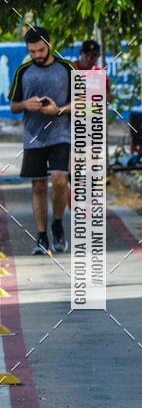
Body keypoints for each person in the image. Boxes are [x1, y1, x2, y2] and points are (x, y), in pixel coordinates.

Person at [8, 27, 75, 254]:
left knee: (59, 180)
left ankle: (57, 223)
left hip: (61, 135)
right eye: (32, 51)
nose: (37, 54)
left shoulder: (67, 68)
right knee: (38, 186)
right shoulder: (23, 71)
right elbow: (14, 105)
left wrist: (59, 110)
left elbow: (85, 102)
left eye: (40, 49)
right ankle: (41, 236)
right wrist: (26, 105)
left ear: (50, 44)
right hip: (33, 138)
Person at [73, 39, 112, 103]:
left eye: (93, 56)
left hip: (93, 111)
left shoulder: (100, 73)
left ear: (98, 57)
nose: (89, 58)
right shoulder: (71, 68)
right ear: (80, 53)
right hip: (72, 110)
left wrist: (107, 98)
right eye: (87, 55)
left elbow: (108, 97)